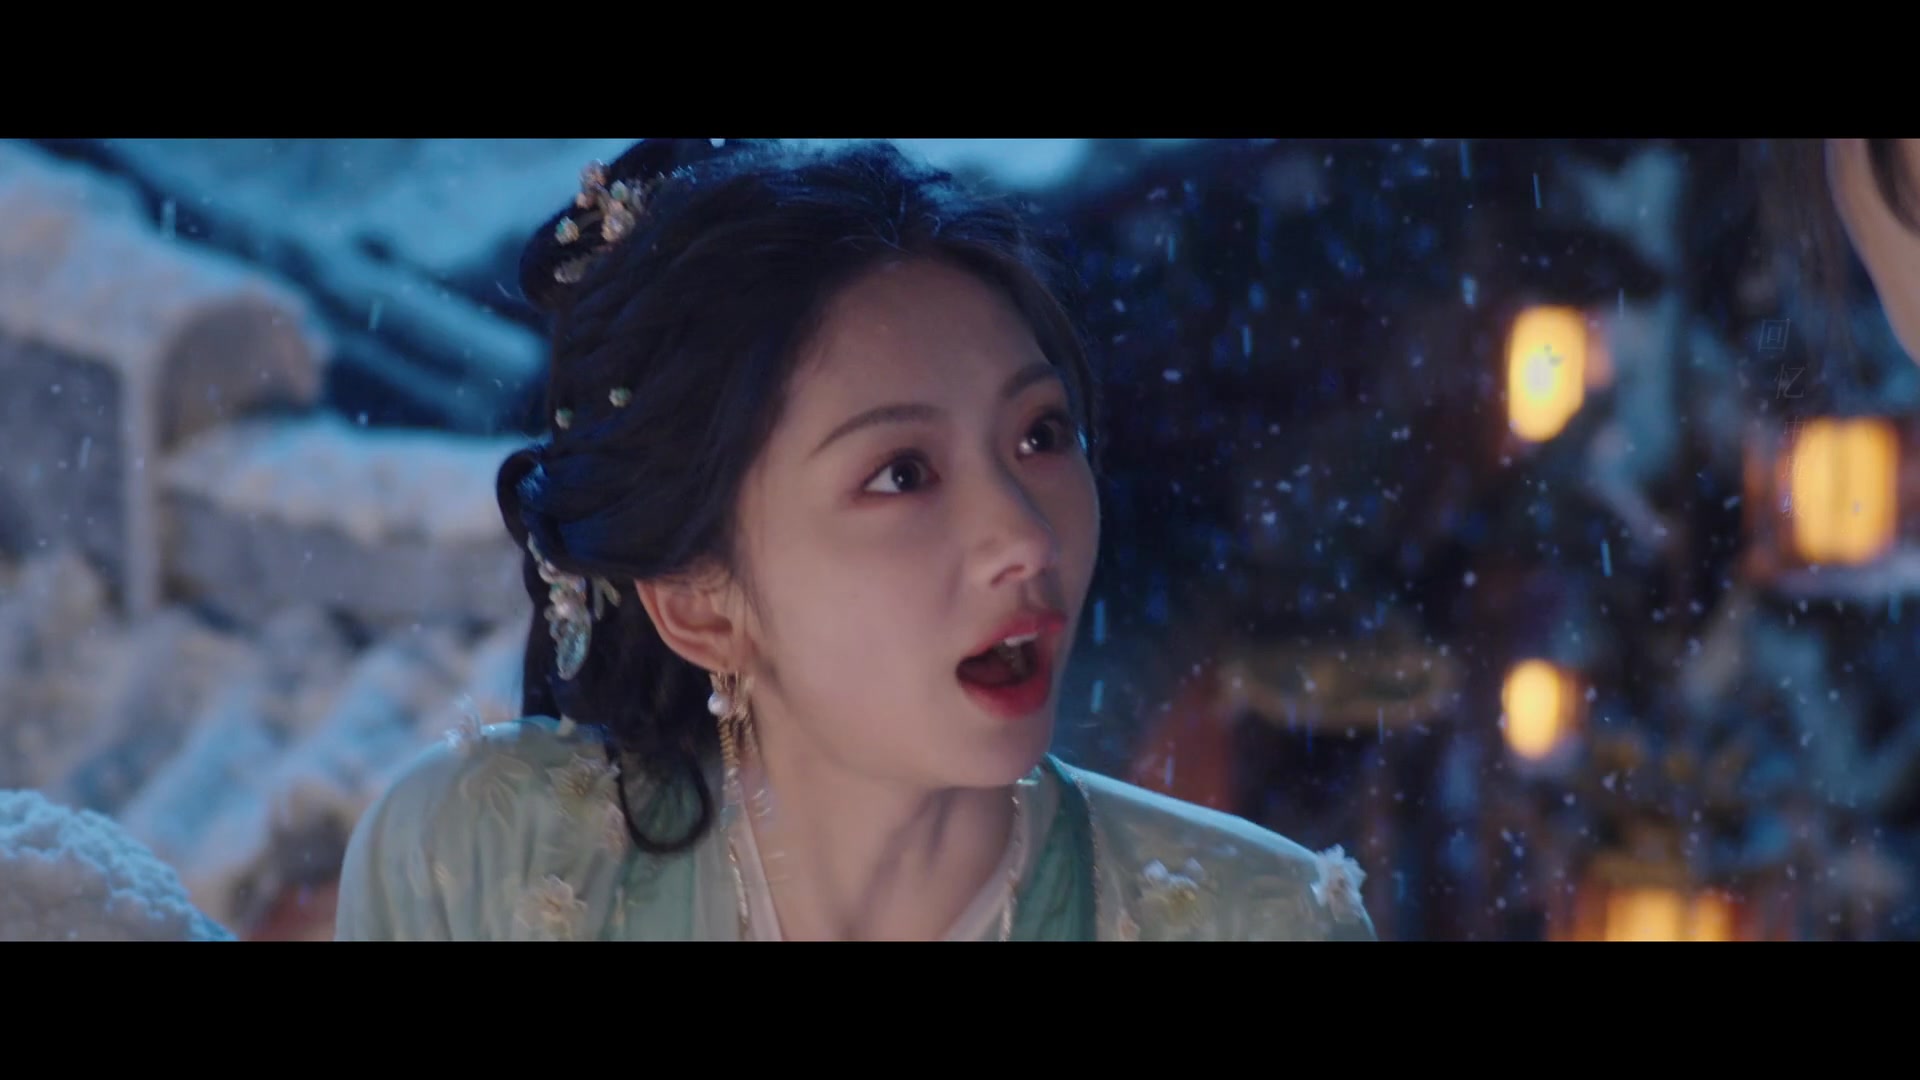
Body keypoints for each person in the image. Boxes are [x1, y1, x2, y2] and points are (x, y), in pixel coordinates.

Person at [333, 139, 1375, 941]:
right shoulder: (488, 860)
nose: (1024, 536)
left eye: (1041, 435)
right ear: (699, 604)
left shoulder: (1255, 922)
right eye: (901, 474)